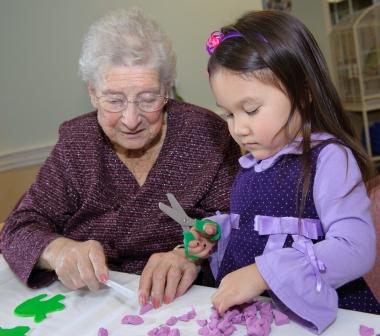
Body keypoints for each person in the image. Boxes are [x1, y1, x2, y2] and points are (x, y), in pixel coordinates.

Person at [0, 8, 240, 309]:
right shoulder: (77, 144)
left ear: (166, 90)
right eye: (114, 100)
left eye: (148, 98)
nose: (130, 119)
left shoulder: (208, 135)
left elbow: (241, 223)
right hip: (93, 300)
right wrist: (58, 250)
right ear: (92, 93)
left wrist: (188, 255)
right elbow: (18, 228)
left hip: (187, 301)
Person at [188, 9, 380, 334]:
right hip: (266, 317)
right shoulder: (252, 165)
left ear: (302, 93)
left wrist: (263, 274)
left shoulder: (329, 159)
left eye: (250, 110)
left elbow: (356, 248)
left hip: (327, 318)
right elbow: (258, 229)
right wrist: (217, 232)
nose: (239, 129)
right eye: (229, 114)